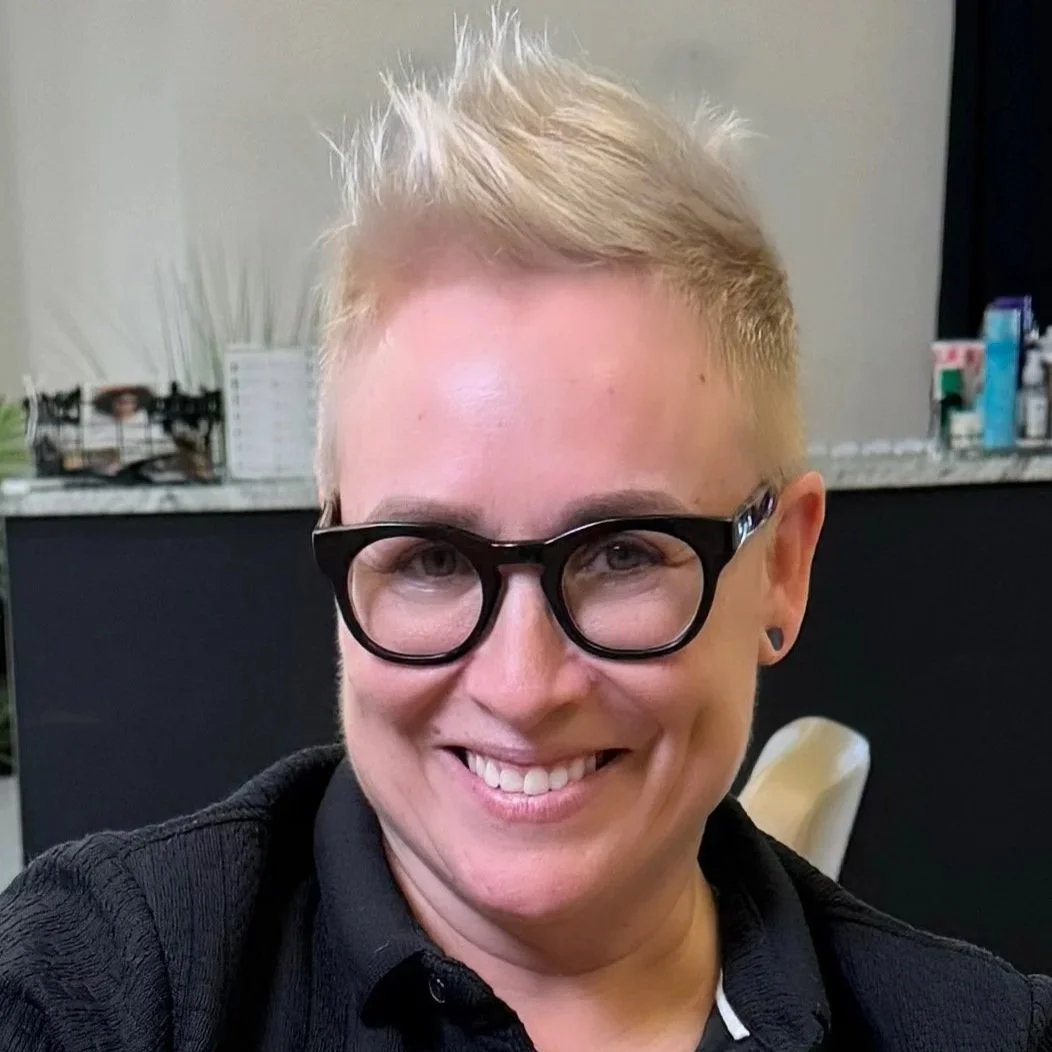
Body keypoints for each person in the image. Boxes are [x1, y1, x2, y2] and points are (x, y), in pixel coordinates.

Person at [0, 17, 1049, 1052]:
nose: (520, 684)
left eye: (623, 552)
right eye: (429, 559)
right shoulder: (104, 983)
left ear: (779, 565)